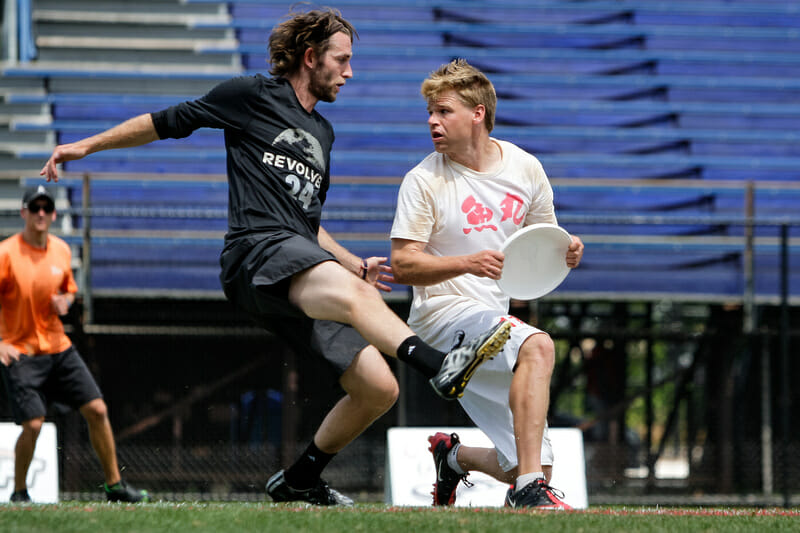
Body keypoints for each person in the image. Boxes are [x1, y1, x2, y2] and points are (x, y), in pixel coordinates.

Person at [39, 8, 511, 506]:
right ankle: (439, 366)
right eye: (342, 60)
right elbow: (165, 122)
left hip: (299, 259)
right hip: (255, 254)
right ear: (311, 58)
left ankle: (301, 479)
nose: (350, 73)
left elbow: (306, 223)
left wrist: (353, 263)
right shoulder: (250, 96)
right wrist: (84, 147)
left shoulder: (323, 134)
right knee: (357, 305)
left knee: (377, 387)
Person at [390, 59, 585, 510]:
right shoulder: (422, 180)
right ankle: (529, 492)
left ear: (478, 113)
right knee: (539, 346)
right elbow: (402, 265)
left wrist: (569, 250)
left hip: (493, 322)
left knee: (531, 462)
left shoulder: (525, 166)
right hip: (441, 318)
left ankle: (453, 457)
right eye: (430, 113)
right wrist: (466, 263)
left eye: (443, 111)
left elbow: (543, 241)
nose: (432, 121)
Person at [0, 186, 148, 504]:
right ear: (24, 212)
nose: (41, 213)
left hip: (58, 347)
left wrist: (65, 301)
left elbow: (69, 289)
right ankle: (19, 492)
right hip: (22, 351)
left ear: (54, 214)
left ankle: (115, 487)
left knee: (97, 409)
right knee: (34, 424)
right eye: (34, 207)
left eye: (46, 208)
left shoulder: (61, 250)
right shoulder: (7, 253)